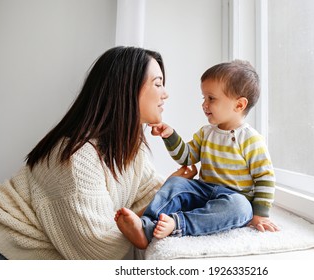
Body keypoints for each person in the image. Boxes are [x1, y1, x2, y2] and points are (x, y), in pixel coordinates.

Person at [0, 46, 196, 260]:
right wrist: (158, 200)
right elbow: (99, 251)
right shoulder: (76, 158)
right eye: (158, 84)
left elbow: (151, 196)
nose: (165, 93)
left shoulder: (128, 149)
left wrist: (172, 191)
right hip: (6, 248)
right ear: (127, 89)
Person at [114, 59, 278, 250]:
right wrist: (170, 136)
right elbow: (187, 157)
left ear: (239, 105)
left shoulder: (251, 140)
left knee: (241, 208)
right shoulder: (206, 133)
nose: (204, 104)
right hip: (204, 190)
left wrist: (260, 214)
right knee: (176, 183)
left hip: (233, 197)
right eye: (204, 98)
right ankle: (145, 226)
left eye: (211, 98)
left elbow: (265, 177)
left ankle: (179, 224)